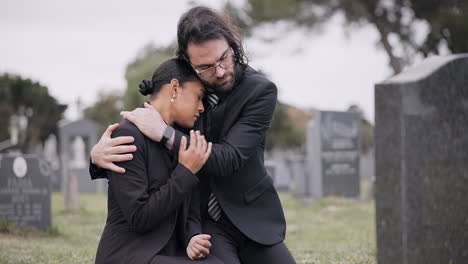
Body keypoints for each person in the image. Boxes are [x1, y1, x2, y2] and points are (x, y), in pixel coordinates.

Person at [90, 6, 296, 264]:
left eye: (224, 58)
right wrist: (96, 156)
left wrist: (165, 134)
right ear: (188, 63)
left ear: (232, 44)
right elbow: (149, 116)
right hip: (201, 223)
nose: (220, 72)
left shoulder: (261, 91)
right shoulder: (181, 91)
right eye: (207, 67)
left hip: (250, 216)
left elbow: (229, 158)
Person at [94, 58, 222, 264]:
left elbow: (190, 208)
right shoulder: (128, 135)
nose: (202, 108)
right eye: (198, 97)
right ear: (175, 88)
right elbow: (139, 218)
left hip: (170, 252)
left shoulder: (178, 138)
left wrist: (191, 237)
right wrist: (185, 172)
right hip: (130, 254)